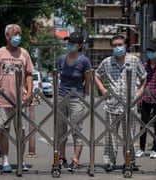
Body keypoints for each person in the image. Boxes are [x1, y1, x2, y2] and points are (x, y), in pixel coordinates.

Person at [95, 35, 147, 171]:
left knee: (129, 135)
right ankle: (110, 162)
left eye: (120, 44)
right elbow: (96, 74)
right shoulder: (107, 62)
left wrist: (140, 91)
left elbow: (144, 76)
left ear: (125, 46)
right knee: (111, 135)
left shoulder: (134, 60)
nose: (117, 47)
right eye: (114, 45)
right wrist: (102, 88)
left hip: (130, 104)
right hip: (112, 104)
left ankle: (130, 161)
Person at [0, 24, 34, 172]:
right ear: (7, 36)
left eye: (19, 33)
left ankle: (21, 159)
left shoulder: (24, 53)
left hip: (20, 100)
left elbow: (29, 74)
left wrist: (29, 93)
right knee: (4, 130)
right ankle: (5, 160)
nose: (17, 36)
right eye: (14, 33)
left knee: (21, 130)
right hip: (3, 98)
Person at [57, 32, 92, 171]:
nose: (69, 45)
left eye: (72, 43)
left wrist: (85, 95)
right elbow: (60, 75)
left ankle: (75, 159)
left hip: (77, 98)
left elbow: (88, 79)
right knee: (60, 130)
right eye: (68, 42)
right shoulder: (61, 58)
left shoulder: (84, 61)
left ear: (79, 45)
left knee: (76, 129)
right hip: (61, 96)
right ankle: (61, 157)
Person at [135, 45, 156, 159]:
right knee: (144, 123)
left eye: (152, 52)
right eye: (149, 52)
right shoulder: (144, 66)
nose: (150, 54)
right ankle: (141, 148)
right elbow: (140, 81)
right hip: (146, 98)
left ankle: (154, 148)